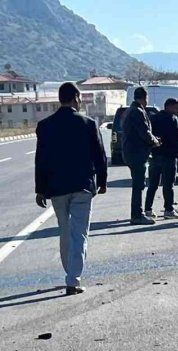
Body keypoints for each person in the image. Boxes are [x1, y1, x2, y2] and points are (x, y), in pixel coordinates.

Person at [34, 82, 108, 296]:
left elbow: (41, 160)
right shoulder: (88, 123)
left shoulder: (45, 126)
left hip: (57, 188)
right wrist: (102, 182)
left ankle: (70, 273)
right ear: (76, 97)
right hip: (82, 186)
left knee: (65, 232)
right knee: (79, 233)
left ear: (60, 99)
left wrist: (40, 189)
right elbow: (99, 156)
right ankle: (73, 279)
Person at [121, 86, 161, 225]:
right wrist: (155, 141)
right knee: (139, 185)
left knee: (138, 184)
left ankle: (137, 213)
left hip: (131, 152)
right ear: (145, 97)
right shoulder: (137, 112)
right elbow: (144, 132)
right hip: (137, 153)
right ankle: (137, 215)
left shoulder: (129, 111)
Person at [145, 98, 178, 220]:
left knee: (153, 184)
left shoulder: (154, 118)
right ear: (169, 107)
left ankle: (148, 209)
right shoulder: (172, 119)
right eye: (177, 107)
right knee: (168, 184)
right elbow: (177, 135)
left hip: (155, 155)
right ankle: (168, 209)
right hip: (169, 156)